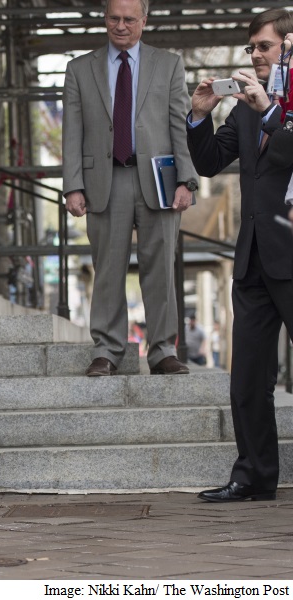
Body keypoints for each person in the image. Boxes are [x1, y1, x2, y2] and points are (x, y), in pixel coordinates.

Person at [187, 8, 293, 503]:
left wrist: (271, 106)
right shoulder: (245, 110)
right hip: (252, 259)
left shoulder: (276, 105)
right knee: (247, 378)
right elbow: (209, 163)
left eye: (264, 47)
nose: (254, 55)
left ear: (288, 48)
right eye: (251, 47)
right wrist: (200, 116)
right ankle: (253, 476)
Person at [62, 0, 197, 378]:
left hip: (159, 179)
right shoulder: (78, 69)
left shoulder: (168, 64)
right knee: (107, 269)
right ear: (105, 19)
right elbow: (72, 133)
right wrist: (73, 185)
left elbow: (178, 126)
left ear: (144, 20)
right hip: (104, 180)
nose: (120, 26)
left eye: (129, 19)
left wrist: (186, 180)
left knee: (161, 269)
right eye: (113, 18)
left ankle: (163, 351)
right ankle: (107, 350)